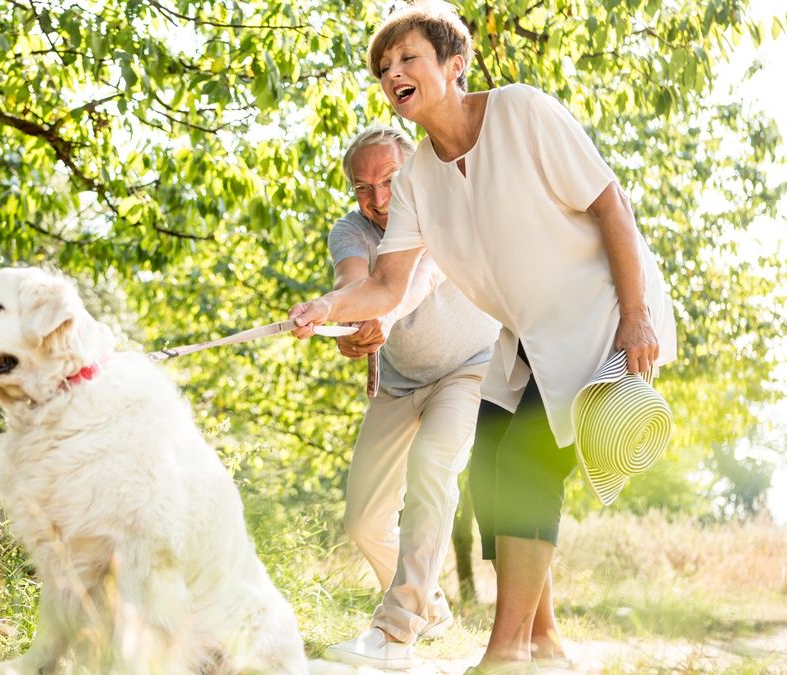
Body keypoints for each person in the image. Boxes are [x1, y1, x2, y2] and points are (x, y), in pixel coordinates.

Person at [289, 3, 677, 673]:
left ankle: (506, 653)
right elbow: (386, 285)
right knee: (489, 476)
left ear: (455, 63)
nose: (394, 73)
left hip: (599, 313)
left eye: (409, 58)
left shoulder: (521, 112)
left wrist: (635, 316)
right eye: (384, 68)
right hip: (524, 336)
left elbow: (610, 202)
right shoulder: (416, 179)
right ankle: (545, 638)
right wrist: (325, 307)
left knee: (526, 467)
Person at [321, 126, 500, 670]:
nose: (376, 200)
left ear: (412, 175)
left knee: (433, 466)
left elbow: (418, 279)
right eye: (362, 187)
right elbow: (355, 281)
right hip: (399, 380)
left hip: (470, 369)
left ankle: (396, 630)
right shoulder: (350, 229)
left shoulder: (446, 211)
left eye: (388, 182)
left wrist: (381, 315)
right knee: (365, 519)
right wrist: (344, 318)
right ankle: (431, 605)